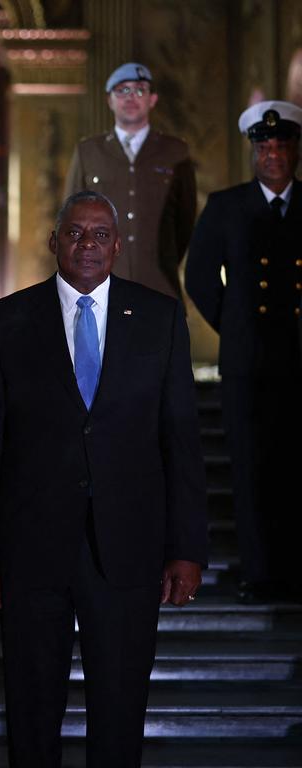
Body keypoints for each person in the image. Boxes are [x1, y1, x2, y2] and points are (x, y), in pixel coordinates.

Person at [0, 191, 209, 767]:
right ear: (54, 242)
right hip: (31, 551)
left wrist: (187, 547)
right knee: (31, 709)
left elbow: (181, 442)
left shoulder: (159, 317)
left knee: (121, 713)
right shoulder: (6, 320)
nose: (87, 245)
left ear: (117, 245)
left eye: (99, 235)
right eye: (75, 233)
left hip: (128, 549)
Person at [185, 100, 302, 604]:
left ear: (295, 150)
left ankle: (296, 571)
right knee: (250, 469)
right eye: (264, 146)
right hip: (247, 361)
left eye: (281, 145)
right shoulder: (227, 205)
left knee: (296, 466)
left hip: (299, 357)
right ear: (254, 152)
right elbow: (199, 278)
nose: (272, 154)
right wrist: (234, 327)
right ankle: (258, 573)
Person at [65, 62, 196, 297]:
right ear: (110, 100)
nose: (130, 97)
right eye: (122, 90)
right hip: (99, 289)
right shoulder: (88, 152)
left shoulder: (176, 152)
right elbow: (71, 221)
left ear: (152, 99)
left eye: (139, 90)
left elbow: (185, 222)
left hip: (159, 287)